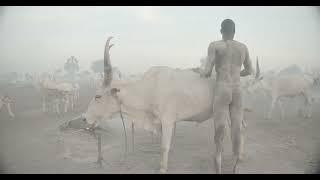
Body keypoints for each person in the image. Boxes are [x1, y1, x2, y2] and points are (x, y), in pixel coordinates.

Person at [200, 19, 253, 173]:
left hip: (222, 88)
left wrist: (199, 71)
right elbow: (249, 71)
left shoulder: (215, 46)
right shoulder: (243, 48)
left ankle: (218, 160)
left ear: (221, 31)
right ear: (234, 31)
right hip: (237, 89)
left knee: (220, 127)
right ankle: (236, 164)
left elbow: (207, 71)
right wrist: (236, 74)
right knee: (236, 127)